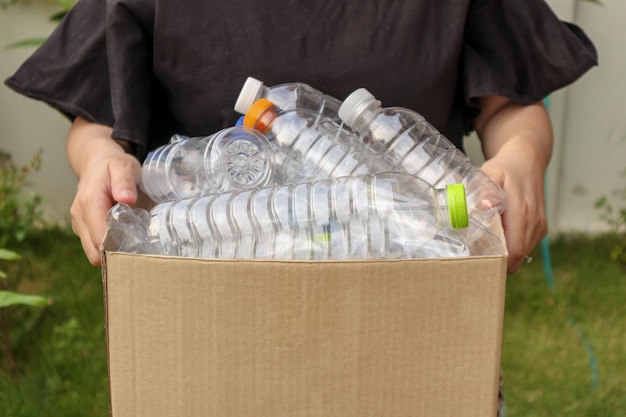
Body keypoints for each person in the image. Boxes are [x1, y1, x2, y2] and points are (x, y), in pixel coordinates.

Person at [5, 0, 596, 275]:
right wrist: (100, 157)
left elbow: (510, 103)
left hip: (415, 270)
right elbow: (99, 113)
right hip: (212, 270)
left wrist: (520, 155)